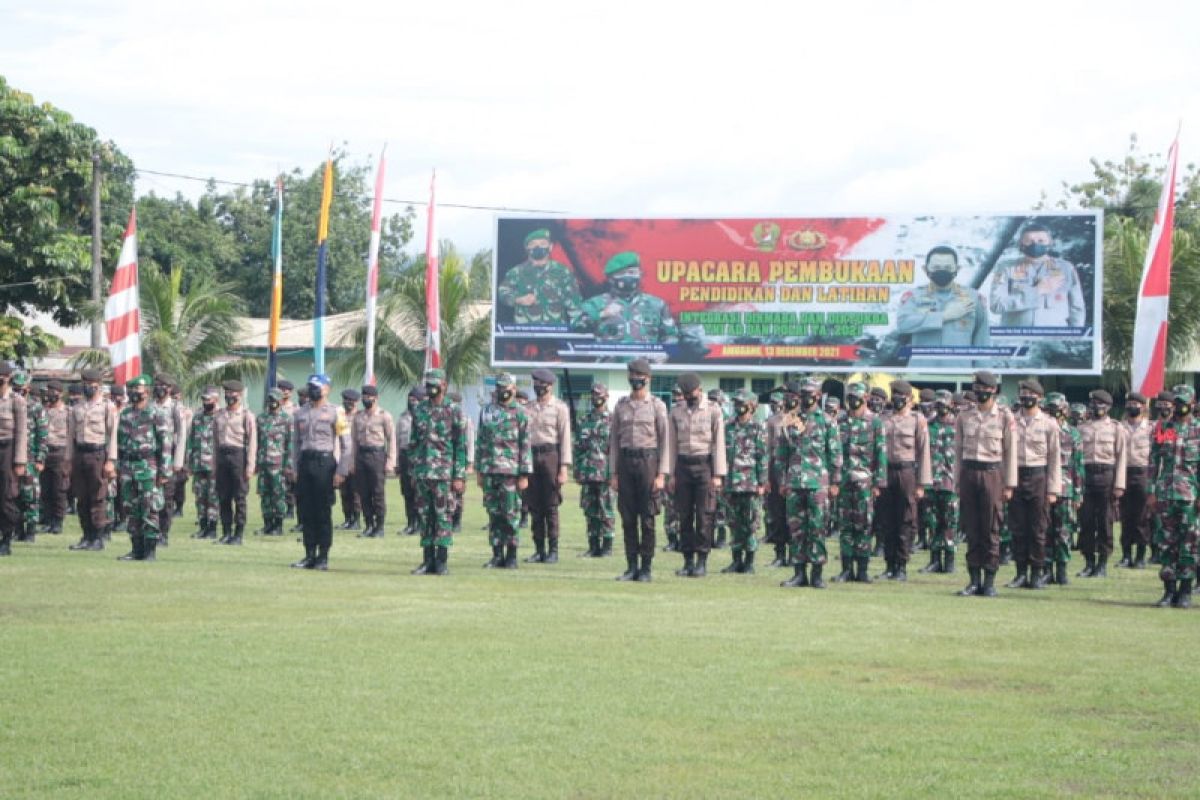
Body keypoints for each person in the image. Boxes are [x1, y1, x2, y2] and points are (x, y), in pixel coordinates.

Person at [955, 370, 1017, 597]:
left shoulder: (1004, 416)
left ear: (993, 391)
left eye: (984, 389)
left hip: (993, 474)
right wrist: (957, 482)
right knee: (972, 528)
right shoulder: (964, 416)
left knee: (991, 529)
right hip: (969, 473)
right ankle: (973, 580)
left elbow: (1010, 452)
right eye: (976, 388)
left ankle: (989, 580)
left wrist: (1009, 485)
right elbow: (958, 451)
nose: (980, 392)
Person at [777, 378, 842, 589]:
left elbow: (835, 454)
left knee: (817, 529)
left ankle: (817, 574)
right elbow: (782, 453)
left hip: (818, 484)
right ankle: (798, 574)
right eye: (803, 393)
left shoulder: (827, 421)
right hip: (795, 483)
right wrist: (782, 480)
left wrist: (835, 482)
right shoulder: (790, 420)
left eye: (811, 393)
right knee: (796, 530)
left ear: (818, 395)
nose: (806, 397)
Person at [609, 358, 670, 582]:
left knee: (647, 518)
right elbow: (614, 441)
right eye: (632, 376)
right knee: (627, 518)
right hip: (625, 464)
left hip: (648, 463)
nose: (635, 380)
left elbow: (665, 441)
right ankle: (631, 566)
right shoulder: (621, 405)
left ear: (648, 379)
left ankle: (646, 567)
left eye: (639, 377)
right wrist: (613, 473)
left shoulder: (657, 406)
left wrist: (662, 474)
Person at [408, 368, 468, 576]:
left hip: (444, 474)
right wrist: (414, 472)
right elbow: (414, 443)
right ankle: (427, 560)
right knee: (425, 517)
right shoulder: (420, 410)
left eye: (434, 384)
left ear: (443, 385)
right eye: (428, 385)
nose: (430, 388)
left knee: (443, 517)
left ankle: (441, 561)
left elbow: (460, 445)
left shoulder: (454, 410)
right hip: (424, 473)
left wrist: (459, 475)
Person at [288, 374, 351, 571]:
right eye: (310, 386)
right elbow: (296, 444)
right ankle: (309, 554)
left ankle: (323, 556)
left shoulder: (336, 412)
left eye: (317, 387)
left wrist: (341, 471)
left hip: (325, 464)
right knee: (306, 511)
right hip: (306, 463)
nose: (313, 390)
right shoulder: (300, 413)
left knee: (323, 511)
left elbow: (346, 445)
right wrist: (295, 467)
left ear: (327, 389)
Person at [667, 372, 726, 578]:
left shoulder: (713, 410)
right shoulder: (676, 411)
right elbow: (671, 445)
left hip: (705, 466)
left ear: (699, 389)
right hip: (683, 465)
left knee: (704, 515)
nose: (688, 396)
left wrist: (718, 474)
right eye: (685, 393)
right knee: (683, 516)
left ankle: (702, 561)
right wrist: (670, 474)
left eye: (691, 393)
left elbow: (719, 443)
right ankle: (687, 561)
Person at [1005, 379, 1061, 590]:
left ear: (1039, 397)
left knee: (1038, 529)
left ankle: (1037, 573)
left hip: (1039, 477)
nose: (1026, 397)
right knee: (1018, 528)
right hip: (1016, 476)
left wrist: (1053, 489)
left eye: (1031, 394)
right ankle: (1020, 573)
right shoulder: (1011, 421)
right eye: (1023, 393)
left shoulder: (1049, 423)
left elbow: (1055, 458)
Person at [1149, 384, 1200, 608]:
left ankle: (1186, 591)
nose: (1180, 406)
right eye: (1176, 402)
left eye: (1183, 402)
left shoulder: (1198, 430)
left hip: (1190, 497)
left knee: (1189, 544)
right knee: (1166, 544)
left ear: (1193, 404)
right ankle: (1169, 591)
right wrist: (1151, 491)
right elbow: (1154, 461)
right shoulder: (1164, 428)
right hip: (1166, 495)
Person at [476, 372, 531, 568]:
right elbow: (480, 441)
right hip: (490, 470)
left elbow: (525, 445)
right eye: (499, 388)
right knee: (494, 515)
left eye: (506, 389)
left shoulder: (521, 413)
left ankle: (512, 555)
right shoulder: (487, 411)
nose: (503, 392)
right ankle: (497, 554)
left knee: (510, 514)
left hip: (511, 473)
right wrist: (479, 471)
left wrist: (524, 473)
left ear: (513, 390)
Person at [878, 380, 932, 581]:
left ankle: (901, 565)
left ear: (909, 399)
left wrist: (921, 484)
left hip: (907, 472)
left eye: (900, 395)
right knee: (886, 520)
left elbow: (923, 452)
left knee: (905, 520)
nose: (896, 399)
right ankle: (889, 564)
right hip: (886, 472)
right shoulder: (884, 419)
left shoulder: (917, 420)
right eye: (894, 395)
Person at [115, 375, 173, 562]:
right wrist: (118, 466)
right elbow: (120, 444)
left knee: (149, 508)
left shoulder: (156, 413)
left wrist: (165, 471)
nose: (134, 394)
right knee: (131, 509)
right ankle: (136, 549)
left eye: (137, 390)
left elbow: (165, 443)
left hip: (149, 466)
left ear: (146, 392)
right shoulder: (125, 414)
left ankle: (150, 550)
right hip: (128, 467)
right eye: (131, 390)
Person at [834, 381, 886, 583]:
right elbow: (835, 452)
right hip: (844, 481)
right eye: (850, 397)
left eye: (857, 397)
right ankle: (846, 569)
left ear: (865, 398)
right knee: (845, 525)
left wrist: (878, 483)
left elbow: (881, 452)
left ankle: (862, 570)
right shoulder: (841, 421)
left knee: (864, 525)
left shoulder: (875, 422)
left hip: (865, 482)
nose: (853, 401)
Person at [895, 246, 991, 354]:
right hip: (921, 368)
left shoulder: (973, 298)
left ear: (957, 269)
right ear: (925, 269)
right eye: (936, 268)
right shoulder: (913, 296)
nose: (942, 271)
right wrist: (944, 316)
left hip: (960, 368)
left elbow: (982, 339)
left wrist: (983, 369)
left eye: (948, 268)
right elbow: (902, 324)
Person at [989, 223, 1086, 327]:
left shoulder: (1066, 268)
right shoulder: (1005, 267)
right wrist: (1037, 291)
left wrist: (1076, 336)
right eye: (1029, 241)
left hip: (1053, 338)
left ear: (1049, 242)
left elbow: (1077, 307)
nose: (1035, 244)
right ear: (1021, 243)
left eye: (1041, 241)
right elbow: (996, 305)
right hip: (1015, 338)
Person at [572, 251, 680, 345]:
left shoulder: (657, 304)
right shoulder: (595, 304)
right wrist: (601, 315)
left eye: (633, 272)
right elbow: (576, 329)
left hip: (645, 367)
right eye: (622, 273)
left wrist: (664, 354)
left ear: (640, 275)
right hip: (607, 366)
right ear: (611, 278)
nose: (629, 277)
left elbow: (671, 336)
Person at [1076, 389, 1127, 578]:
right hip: (1086, 476)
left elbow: (1122, 457)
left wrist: (1119, 484)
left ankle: (1103, 563)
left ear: (1108, 407)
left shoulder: (1116, 428)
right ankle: (1089, 562)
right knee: (1086, 521)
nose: (1096, 407)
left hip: (1107, 476)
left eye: (1100, 404)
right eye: (1093, 403)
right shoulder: (1082, 428)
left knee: (1105, 522)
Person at [66, 368, 117, 552]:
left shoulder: (107, 407)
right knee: (82, 497)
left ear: (99, 385)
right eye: (85, 384)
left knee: (97, 497)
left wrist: (111, 460)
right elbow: (71, 435)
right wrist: (68, 459)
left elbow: (113, 436)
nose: (88, 387)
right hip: (80, 454)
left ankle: (97, 537)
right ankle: (86, 535)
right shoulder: (77, 408)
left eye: (91, 384)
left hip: (97, 455)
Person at [524, 369, 572, 563]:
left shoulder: (560, 408)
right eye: (535, 383)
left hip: (551, 456)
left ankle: (553, 550)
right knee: (534, 506)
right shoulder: (527, 408)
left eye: (541, 384)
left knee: (551, 506)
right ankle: (539, 549)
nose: (538, 387)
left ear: (550, 386)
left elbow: (565, 438)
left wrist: (564, 468)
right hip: (531, 457)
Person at [720, 389, 768, 574]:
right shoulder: (729, 426)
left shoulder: (758, 427)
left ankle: (749, 562)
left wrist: (762, 483)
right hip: (732, 483)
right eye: (736, 403)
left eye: (742, 403)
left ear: (751, 406)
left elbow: (763, 456)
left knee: (751, 524)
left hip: (751, 484)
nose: (738, 407)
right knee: (734, 523)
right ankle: (736, 560)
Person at [496, 228, 583, 325]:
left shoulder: (562, 272)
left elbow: (575, 302)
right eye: (533, 244)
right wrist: (518, 299)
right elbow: (502, 292)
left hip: (556, 332)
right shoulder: (516, 272)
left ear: (550, 247)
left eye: (543, 243)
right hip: (525, 332)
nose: (538, 247)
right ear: (527, 248)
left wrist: (577, 328)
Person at [1042, 392, 1082, 585]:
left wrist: (1078, 493)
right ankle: (1047, 569)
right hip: (1044, 486)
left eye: (1057, 409)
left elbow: (1078, 465)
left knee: (1064, 531)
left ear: (1065, 410)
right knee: (1046, 529)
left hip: (1066, 488)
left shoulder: (1073, 433)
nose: (1054, 413)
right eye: (1050, 409)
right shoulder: (1042, 430)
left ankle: (1062, 570)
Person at [573, 383, 615, 558]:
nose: (595, 398)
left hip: (605, 473)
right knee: (590, 511)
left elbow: (615, 449)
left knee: (606, 510)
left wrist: (614, 472)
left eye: (599, 395)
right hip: (588, 473)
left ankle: (607, 547)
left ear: (606, 397)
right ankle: (593, 546)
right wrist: (577, 470)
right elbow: (578, 448)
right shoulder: (584, 421)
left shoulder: (613, 421)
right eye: (593, 395)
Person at [213, 380, 257, 545]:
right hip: (223, 456)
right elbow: (215, 441)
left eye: (232, 393)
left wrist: (250, 466)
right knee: (223, 496)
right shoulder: (219, 415)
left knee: (239, 497)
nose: (229, 396)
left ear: (240, 395)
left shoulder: (247, 415)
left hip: (239, 456)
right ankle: (226, 532)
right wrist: (214, 463)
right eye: (227, 393)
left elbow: (252, 442)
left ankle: (238, 534)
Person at [920, 390, 959, 574]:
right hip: (933, 481)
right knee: (933, 522)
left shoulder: (958, 426)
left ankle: (950, 559)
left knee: (950, 522)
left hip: (951, 482)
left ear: (951, 404)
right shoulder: (928, 426)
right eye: (939, 403)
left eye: (945, 403)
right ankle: (935, 560)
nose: (942, 406)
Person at [351, 384, 396, 538]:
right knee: (363, 492)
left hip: (377, 456)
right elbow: (354, 440)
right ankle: (369, 524)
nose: (366, 400)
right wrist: (352, 461)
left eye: (368, 397)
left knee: (377, 492)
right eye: (363, 397)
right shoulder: (358, 416)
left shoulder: (385, 416)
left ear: (376, 398)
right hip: (361, 455)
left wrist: (390, 461)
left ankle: (380, 526)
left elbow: (392, 440)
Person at [11, 371, 46, 544]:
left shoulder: (35, 406)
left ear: (28, 388)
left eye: (21, 389)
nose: (18, 392)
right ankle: (16, 529)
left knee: (31, 495)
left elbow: (42, 434)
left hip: (31, 457)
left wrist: (40, 459)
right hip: (10, 457)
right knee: (12, 495)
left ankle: (30, 530)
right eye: (15, 389)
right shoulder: (7, 403)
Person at [1119, 392, 1153, 568]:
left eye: (1136, 403)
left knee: (1142, 516)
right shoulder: (1119, 427)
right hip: (1124, 473)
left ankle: (1140, 556)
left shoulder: (1152, 428)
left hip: (1143, 473)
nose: (1133, 406)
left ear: (1143, 407)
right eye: (1130, 403)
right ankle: (1126, 555)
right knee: (1125, 516)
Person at [0, 364, 29, 555]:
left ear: (8, 378)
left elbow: (21, 432)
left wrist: (20, 460)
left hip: (8, 449)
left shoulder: (16, 400)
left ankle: (6, 539)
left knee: (6, 496)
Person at [256, 388, 293, 537]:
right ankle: (267, 524)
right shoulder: (261, 418)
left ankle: (278, 525)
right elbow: (256, 441)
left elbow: (290, 444)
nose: (272, 403)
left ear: (280, 401)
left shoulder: (287, 420)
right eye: (270, 399)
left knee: (278, 495)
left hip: (279, 465)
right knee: (265, 495)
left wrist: (288, 466)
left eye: (275, 400)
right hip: (264, 462)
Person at [186, 386, 220, 539]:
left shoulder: (221, 416)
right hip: (199, 463)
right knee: (200, 497)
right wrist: (189, 462)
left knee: (213, 497)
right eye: (204, 399)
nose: (206, 402)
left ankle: (212, 528)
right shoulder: (198, 416)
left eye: (209, 399)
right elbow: (192, 440)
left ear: (216, 400)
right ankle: (202, 526)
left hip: (215, 464)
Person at [763, 388, 791, 567]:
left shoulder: (797, 419)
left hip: (795, 467)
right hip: (776, 466)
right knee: (777, 512)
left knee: (794, 514)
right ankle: (780, 554)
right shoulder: (771, 421)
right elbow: (766, 448)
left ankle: (795, 553)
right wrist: (765, 475)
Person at [39, 380, 69, 535]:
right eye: (48, 391)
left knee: (59, 489)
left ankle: (58, 521)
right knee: (46, 489)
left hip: (60, 452)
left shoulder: (67, 412)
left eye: (53, 391)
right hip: (45, 451)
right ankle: (48, 520)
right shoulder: (43, 411)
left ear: (61, 393)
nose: (50, 394)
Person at [396, 385, 424, 535]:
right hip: (405, 456)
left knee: (418, 492)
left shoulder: (424, 417)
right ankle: (410, 523)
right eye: (410, 399)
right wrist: (396, 463)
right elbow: (397, 440)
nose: (412, 402)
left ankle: (420, 524)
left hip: (419, 457)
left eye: (415, 399)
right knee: (407, 492)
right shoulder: (402, 417)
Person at [661, 385, 684, 553]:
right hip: (670, 468)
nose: (678, 398)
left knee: (686, 508)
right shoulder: (669, 416)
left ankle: (684, 540)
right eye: (675, 395)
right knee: (670, 508)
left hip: (685, 468)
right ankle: (672, 539)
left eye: (680, 395)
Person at [337, 388, 362, 530]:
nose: (348, 403)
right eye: (346, 400)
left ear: (356, 402)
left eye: (351, 401)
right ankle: (347, 519)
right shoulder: (340, 417)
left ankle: (356, 521)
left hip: (355, 459)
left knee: (355, 492)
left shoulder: (359, 417)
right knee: (344, 491)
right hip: (341, 459)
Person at [170, 384, 192, 517]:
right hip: (168, 446)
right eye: (172, 396)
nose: (174, 399)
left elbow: (187, 431)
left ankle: (179, 507)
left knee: (180, 480)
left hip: (180, 447)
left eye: (176, 396)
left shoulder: (186, 411)